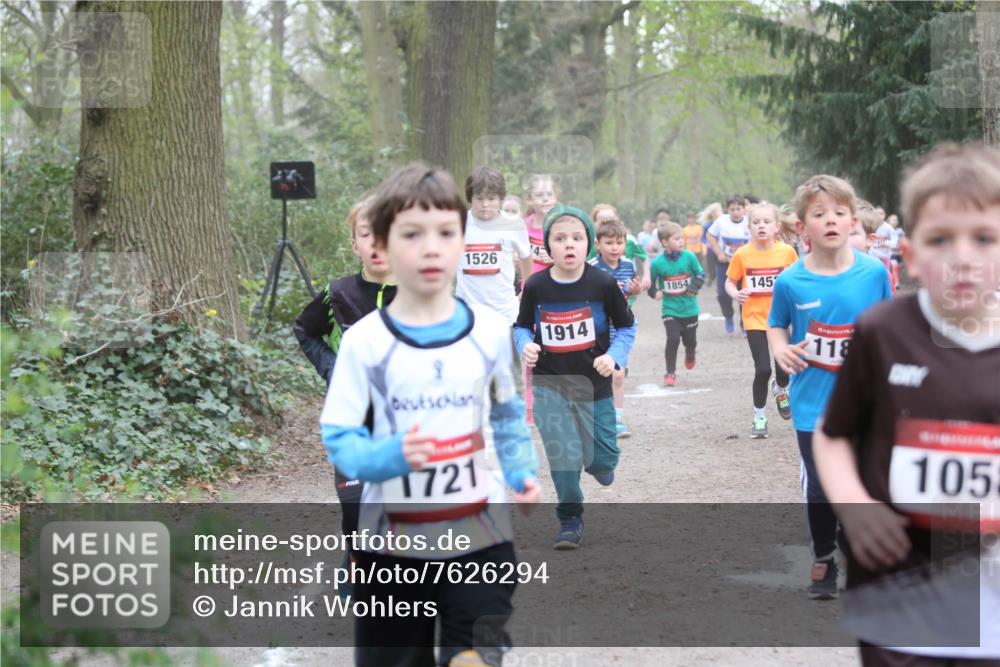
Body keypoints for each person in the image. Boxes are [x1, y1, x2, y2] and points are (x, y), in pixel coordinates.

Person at [320, 163, 541, 666]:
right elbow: (340, 437)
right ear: (383, 245)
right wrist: (386, 457)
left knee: (476, 656)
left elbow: (507, 414)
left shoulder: (489, 332)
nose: (431, 247)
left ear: (463, 240)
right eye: (412, 234)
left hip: (481, 535)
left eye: (446, 232)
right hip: (390, 547)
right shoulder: (364, 342)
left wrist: (522, 472)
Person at [813, 142, 1000, 665]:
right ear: (910, 255)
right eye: (941, 239)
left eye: (984, 238)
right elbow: (832, 435)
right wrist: (855, 505)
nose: (962, 257)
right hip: (900, 599)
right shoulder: (882, 332)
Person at [767, 174, 893, 600]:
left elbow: (890, 327)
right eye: (820, 214)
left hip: (865, 403)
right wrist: (782, 351)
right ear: (803, 227)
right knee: (821, 485)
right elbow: (775, 325)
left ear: (853, 220)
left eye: (840, 212)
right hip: (812, 404)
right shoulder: (790, 282)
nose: (831, 220)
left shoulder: (874, 273)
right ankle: (823, 558)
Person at [514, 204, 636, 550]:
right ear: (547, 246)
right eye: (560, 238)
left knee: (602, 461)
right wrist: (525, 345)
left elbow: (627, 327)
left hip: (593, 385)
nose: (569, 244)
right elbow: (521, 326)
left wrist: (613, 356)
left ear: (589, 244)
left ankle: (601, 462)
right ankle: (569, 518)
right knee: (563, 454)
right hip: (550, 383)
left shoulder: (603, 283)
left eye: (577, 238)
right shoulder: (536, 285)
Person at [293, 194, 397, 576]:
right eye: (367, 234)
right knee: (354, 503)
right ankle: (356, 557)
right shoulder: (338, 294)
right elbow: (304, 330)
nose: (377, 243)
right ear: (355, 244)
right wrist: (334, 371)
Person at [724, 202, 798, 439]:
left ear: (776, 226)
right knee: (763, 369)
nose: (761, 226)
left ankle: (781, 388)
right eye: (756, 222)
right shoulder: (742, 254)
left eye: (766, 222)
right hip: (754, 318)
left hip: (780, 319)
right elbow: (729, 281)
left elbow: (798, 281)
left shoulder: (787, 253)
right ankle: (759, 416)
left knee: (783, 367)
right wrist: (736, 293)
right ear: (749, 227)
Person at [588, 214, 642, 439]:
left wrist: (635, 291)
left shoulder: (629, 266)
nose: (615, 247)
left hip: (620, 328)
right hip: (597, 329)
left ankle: (617, 419)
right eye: (609, 243)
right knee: (597, 376)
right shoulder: (590, 268)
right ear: (597, 245)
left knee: (618, 375)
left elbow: (629, 294)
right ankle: (596, 418)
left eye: (619, 243)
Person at [456, 166, 532, 325]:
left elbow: (526, 256)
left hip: (504, 313)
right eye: (479, 198)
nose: (485, 204)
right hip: (467, 312)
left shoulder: (513, 224)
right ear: (470, 198)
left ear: (500, 198)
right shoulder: (458, 223)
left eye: (491, 199)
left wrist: (527, 287)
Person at [648, 221, 706, 387]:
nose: (681, 241)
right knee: (672, 339)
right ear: (665, 242)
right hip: (670, 309)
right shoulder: (658, 263)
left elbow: (700, 274)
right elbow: (650, 285)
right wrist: (655, 293)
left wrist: (694, 286)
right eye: (677, 239)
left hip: (690, 309)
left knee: (690, 341)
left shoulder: (689, 257)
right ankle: (670, 372)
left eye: (682, 238)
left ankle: (690, 353)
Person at [707, 195, 751, 334]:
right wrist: (719, 253)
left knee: (744, 294)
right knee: (722, 294)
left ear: (744, 209)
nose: (736, 212)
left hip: (744, 265)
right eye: (732, 209)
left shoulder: (750, 222)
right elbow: (710, 236)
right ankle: (728, 316)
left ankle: (745, 324)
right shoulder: (721, 221)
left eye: (739, 209)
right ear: (728, 210)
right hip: (725, 262)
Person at [523, 174, 559, 274]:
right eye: (539, 195)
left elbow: (578, 258)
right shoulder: (522, 226)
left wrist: (555, 260)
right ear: (529, 199)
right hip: (528, 285)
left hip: (555, 284)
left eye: (549, 194)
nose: (545, 199)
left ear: (556, 197)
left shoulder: (564, 226)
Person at [698, 202, 724, 286]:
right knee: (712, 271)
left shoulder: (724, 224)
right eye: (718, 211)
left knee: (722, 269)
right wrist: (707, 243)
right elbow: (702, 238)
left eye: (720, 210)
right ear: (713, 214)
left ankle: (722, 285)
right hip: (710, 251)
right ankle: (710, 277)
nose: (720, 212)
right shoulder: (707, 225)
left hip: (721, 251)